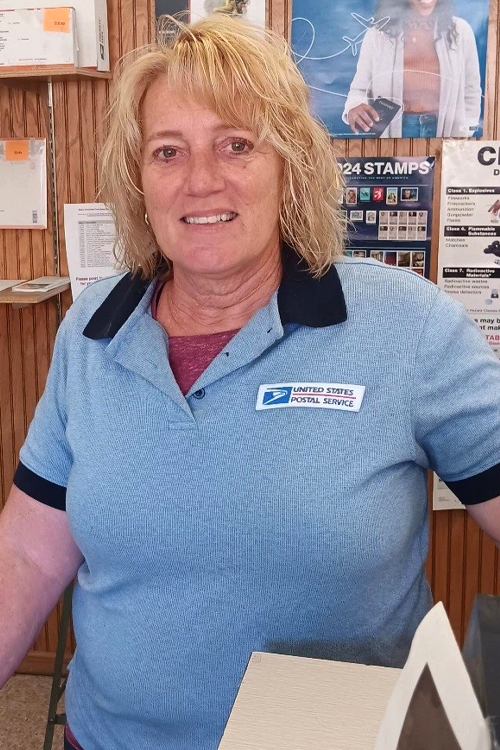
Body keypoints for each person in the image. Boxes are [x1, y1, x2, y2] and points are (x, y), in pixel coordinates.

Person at [0, 14, 500, 750]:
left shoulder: (405, 327)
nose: (202, 180)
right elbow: (30, 552)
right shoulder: (92, 330)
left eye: (236, 144)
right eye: (168, 151)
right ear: (139, 181)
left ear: (289, 163)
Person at [343, 0, 482, 137]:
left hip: (446, 133)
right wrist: (354, 107)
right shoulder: (378, 35)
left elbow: (471, 90)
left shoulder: (460, 31)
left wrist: (465, 131)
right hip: (395, 134)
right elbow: (359, 90)